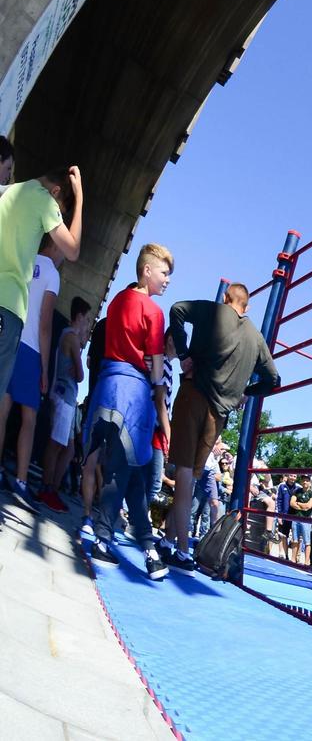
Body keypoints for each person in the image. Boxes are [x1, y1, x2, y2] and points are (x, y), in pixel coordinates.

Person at [161, 284, 279, 568]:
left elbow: (177, 309)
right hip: (220, 413)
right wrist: (245, 393)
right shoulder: (256, 338)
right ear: (247, 307)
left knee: (184, 474)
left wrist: (185, 353)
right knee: (190, 476)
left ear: (227, 299)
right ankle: (169, 540)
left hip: (194, 394)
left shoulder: (214, 311)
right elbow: (273, 379)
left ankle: (181, 549)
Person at [85, 243, 172, 580]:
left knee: (129, 470)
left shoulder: (118, 301)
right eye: (164, 273)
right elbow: (156, 368)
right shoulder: (153, 311)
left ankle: (148, 548)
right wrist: (162, 413)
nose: (167, 280)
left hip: (107, 386)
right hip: (133, 393)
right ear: (147, 270)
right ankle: (104, 540)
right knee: (124, 469)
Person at [0, 166, 82, 478]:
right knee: (27, 416)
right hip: (17, 325)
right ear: (58, 192)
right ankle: (21, 479)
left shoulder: (11, 192)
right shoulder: (45, 201)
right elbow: (72, 248)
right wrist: (82, 197)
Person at [0, 239, 61, 503]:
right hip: (32, 349)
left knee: (2, 410)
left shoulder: (25, 256)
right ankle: (22, 481)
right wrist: (45, 369)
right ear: (56, 245)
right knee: (29, 419)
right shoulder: (52, 274)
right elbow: (45, 324)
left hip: (10, 335)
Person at [38, 296, 92, 511]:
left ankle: (54, 487)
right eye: (87, 319)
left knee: (68, 450)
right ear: (79, 316)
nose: (88, 324)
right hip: (64, 395)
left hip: (67, 396)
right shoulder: (70, 337)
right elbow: (80, 374)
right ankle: (46, 488)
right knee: (56, 444)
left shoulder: (70, 338)